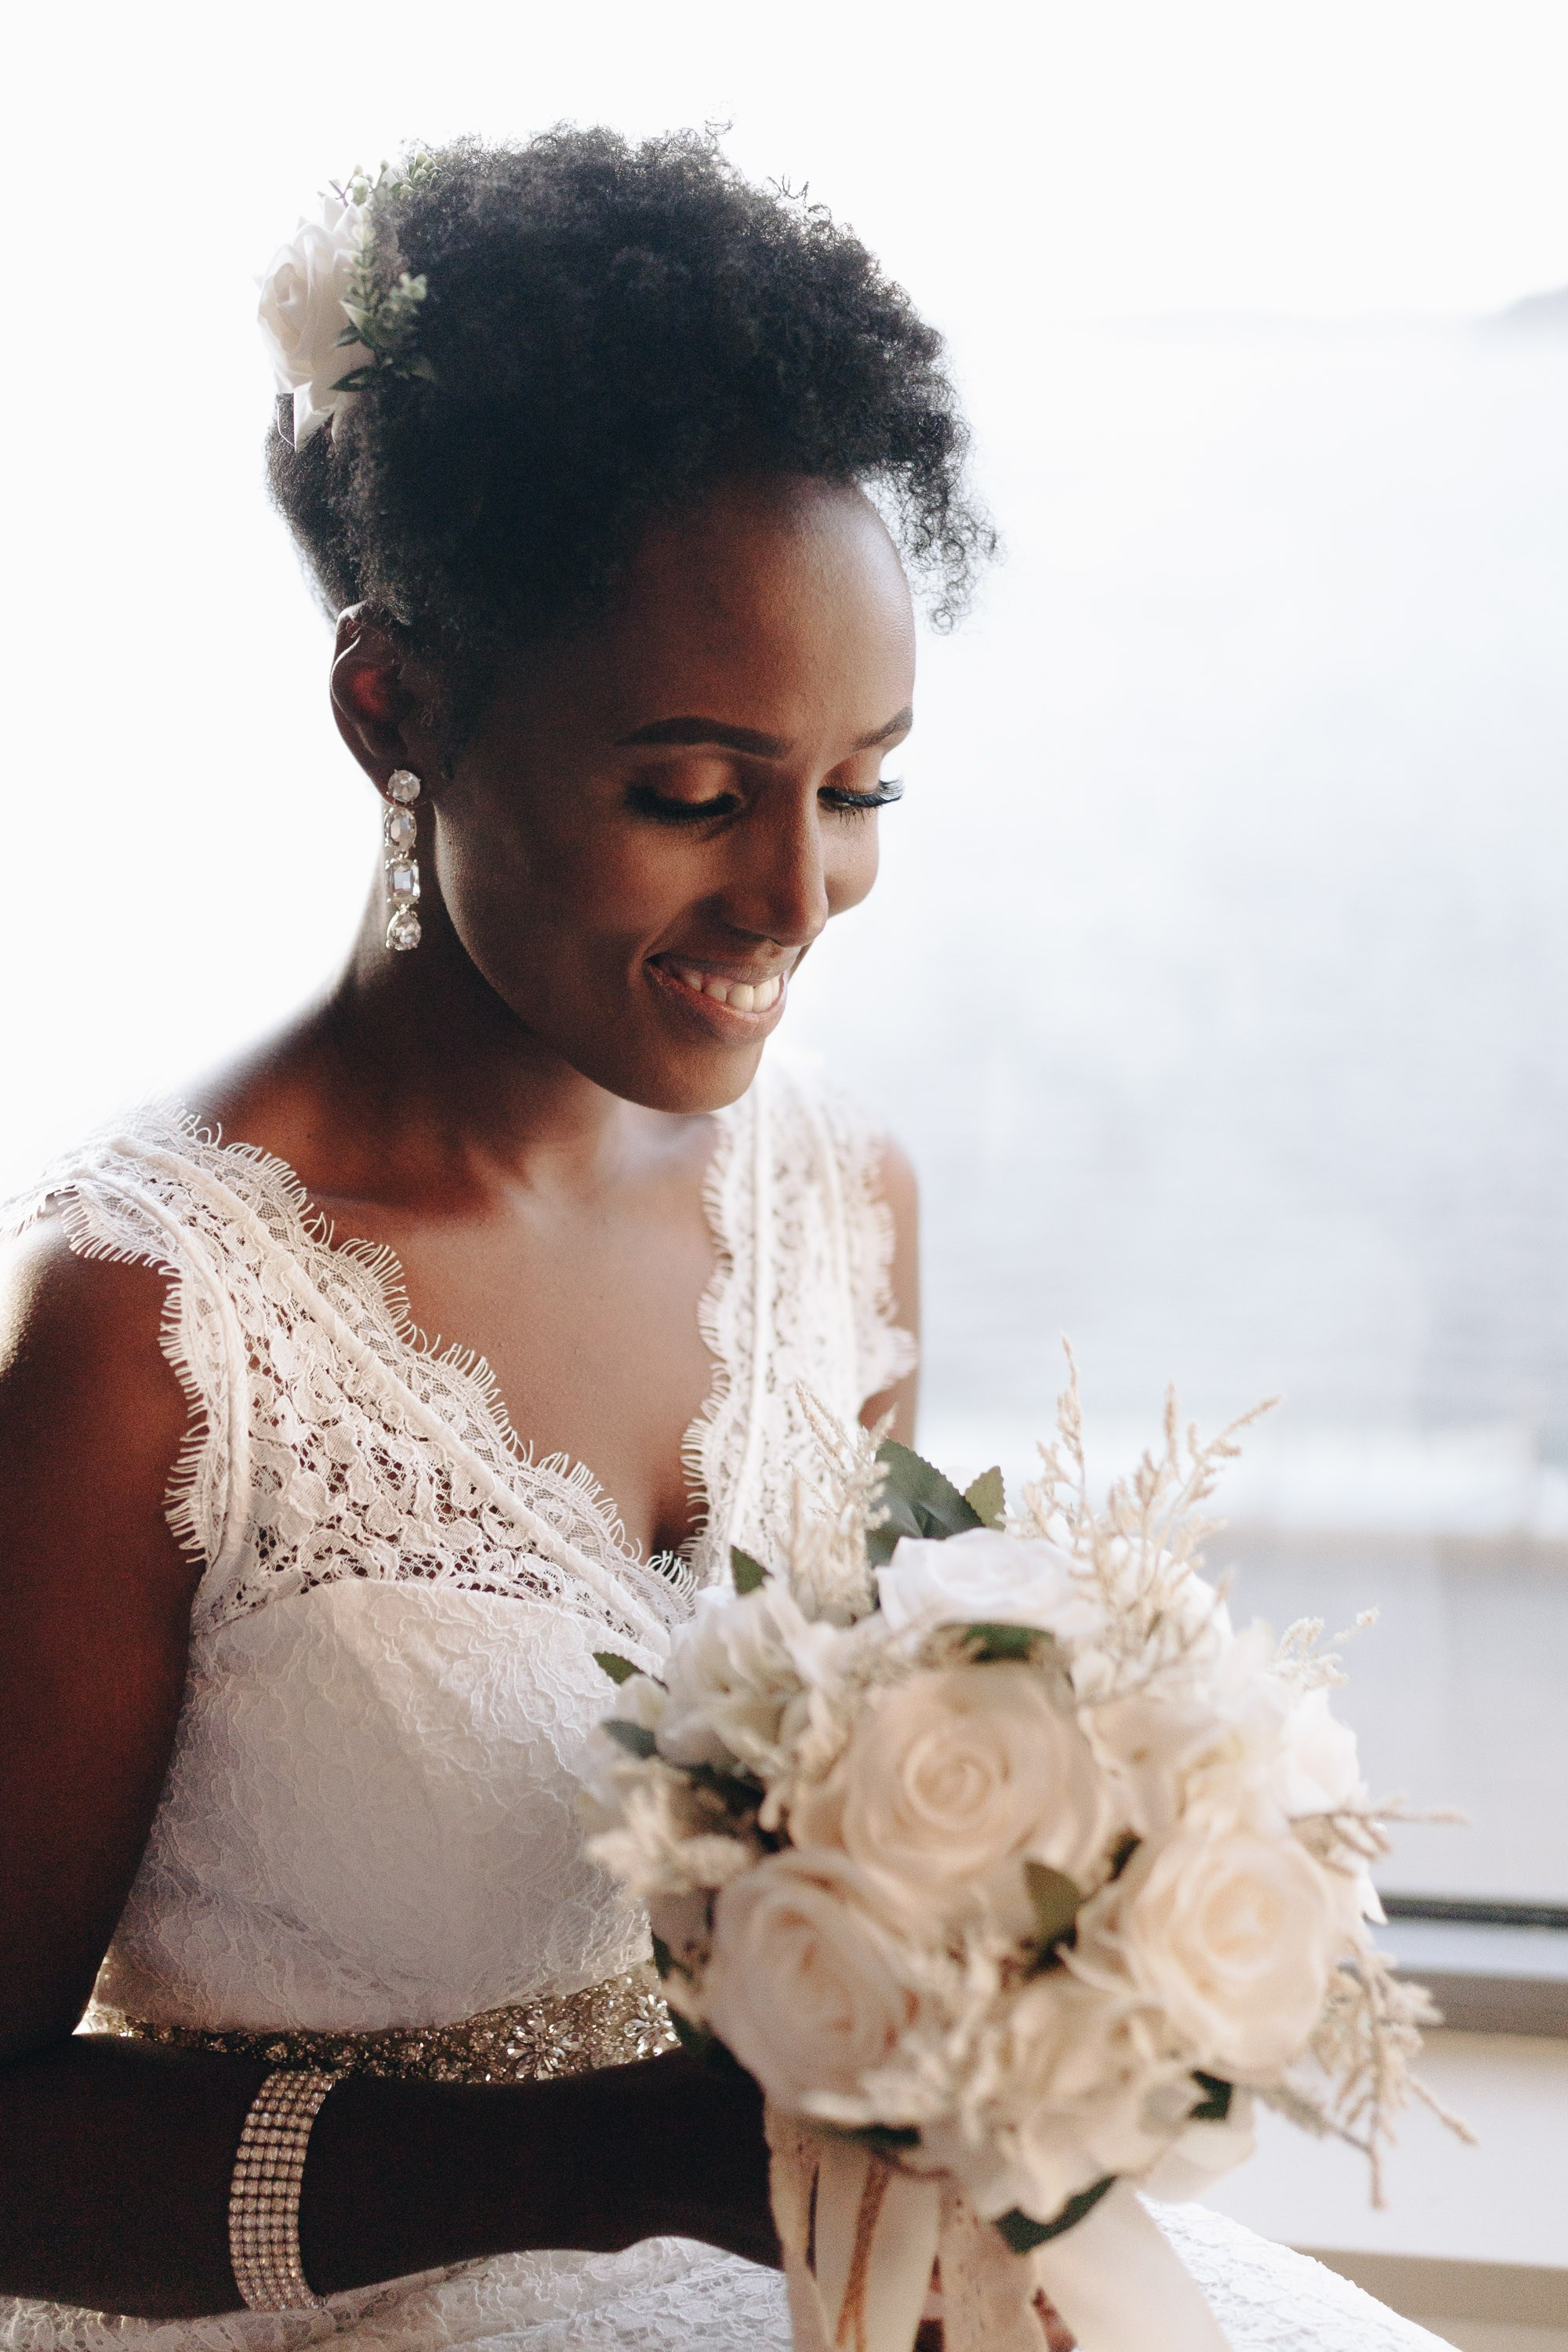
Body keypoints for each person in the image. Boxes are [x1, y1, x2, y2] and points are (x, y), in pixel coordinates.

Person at [0, 129, 1446, 2350]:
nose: (794, 901)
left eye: (857, 788)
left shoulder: (841, 1211)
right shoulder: (155, 1327)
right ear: (397, 710)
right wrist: (601, 2169)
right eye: (691, 792)